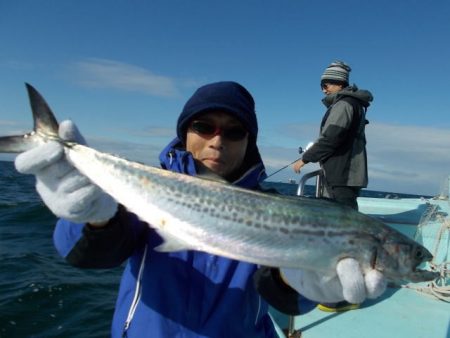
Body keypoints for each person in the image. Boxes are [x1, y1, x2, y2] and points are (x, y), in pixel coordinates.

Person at [14, 81, 386, 337]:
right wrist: (93, 217)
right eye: (204, 126)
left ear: (249, 141)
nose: (217, 141)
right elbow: (91, 252)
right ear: (185, 133)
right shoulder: (149, 191)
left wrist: (305, 281)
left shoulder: (275, 210)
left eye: (234, 131)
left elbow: (279, 287)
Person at [293, 61, 372, 211]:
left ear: (339, 84)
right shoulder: (353, 104)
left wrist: (305, 159)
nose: (324, 90)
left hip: (343, 175)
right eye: (322, 86)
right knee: (343, 220)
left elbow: (331, 138)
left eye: (326, 85)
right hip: (347, 174)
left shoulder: (343, 105)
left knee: (344, 221)